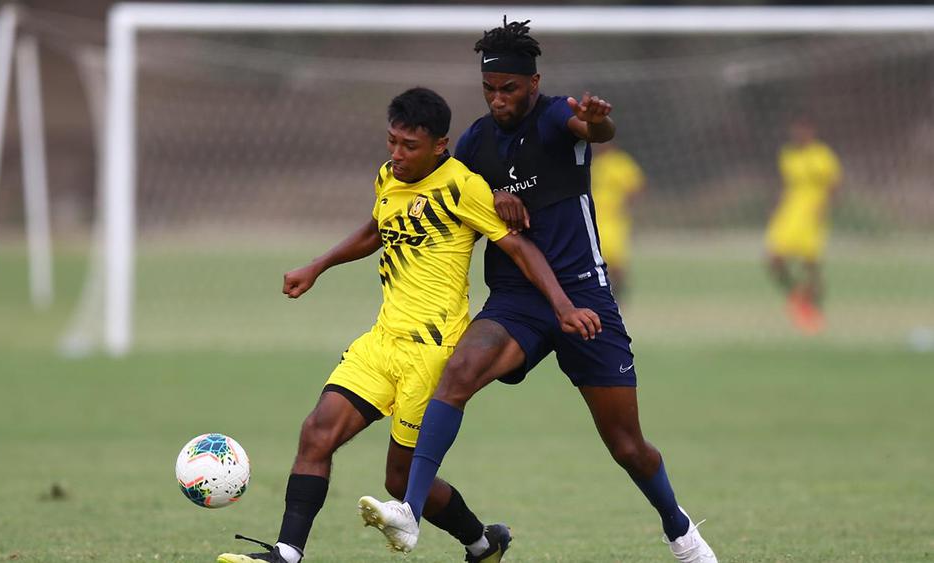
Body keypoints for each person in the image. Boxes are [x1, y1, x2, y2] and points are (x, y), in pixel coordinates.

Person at [359, 19, 717, 563]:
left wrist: (598, 123)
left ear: (534, 82)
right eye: (489, 90)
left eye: (509, 89)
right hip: (517, 302)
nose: (499, 100)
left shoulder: (555, 116)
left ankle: (680, 531)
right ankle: (409, 511)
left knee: (628, 447)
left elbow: (592, 131)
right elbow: (451, 188)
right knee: (456, 376)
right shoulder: (477, 140)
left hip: (585, 298)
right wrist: (495, 191)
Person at [216, 87, 599, 563]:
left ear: (440, 145)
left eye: (408, 146)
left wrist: (562, 305)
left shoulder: (462, 186)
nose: (396, 154)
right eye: (392, 141)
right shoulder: (388, 178)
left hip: (431, 351)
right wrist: (317, 265)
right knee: (317, 433)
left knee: (399, 481)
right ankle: (287, 554)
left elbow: (520, 248)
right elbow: (376, 229)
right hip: (381, 342)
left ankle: (483, 542)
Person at [765, 116, 841, 334]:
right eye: (795, 129)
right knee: (773, 259)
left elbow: (834, 185)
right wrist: (775, 208)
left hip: (812, 215)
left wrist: (825, 208)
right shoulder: (787, 155)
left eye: (803, 129)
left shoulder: (822, 155)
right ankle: (797, 297)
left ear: (811, 130)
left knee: (811, 266)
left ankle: (815, 313)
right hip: (790, 214)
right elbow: (785, 185)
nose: (798, 134)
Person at [590, 142, 646, 302]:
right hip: (594, 220)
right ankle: (601, 298)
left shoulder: (620, 162)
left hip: (614, 221)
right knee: (596, 262)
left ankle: (618, 299)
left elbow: (636, 187)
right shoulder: (591, 163)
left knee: (616, 265)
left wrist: (625, 205)